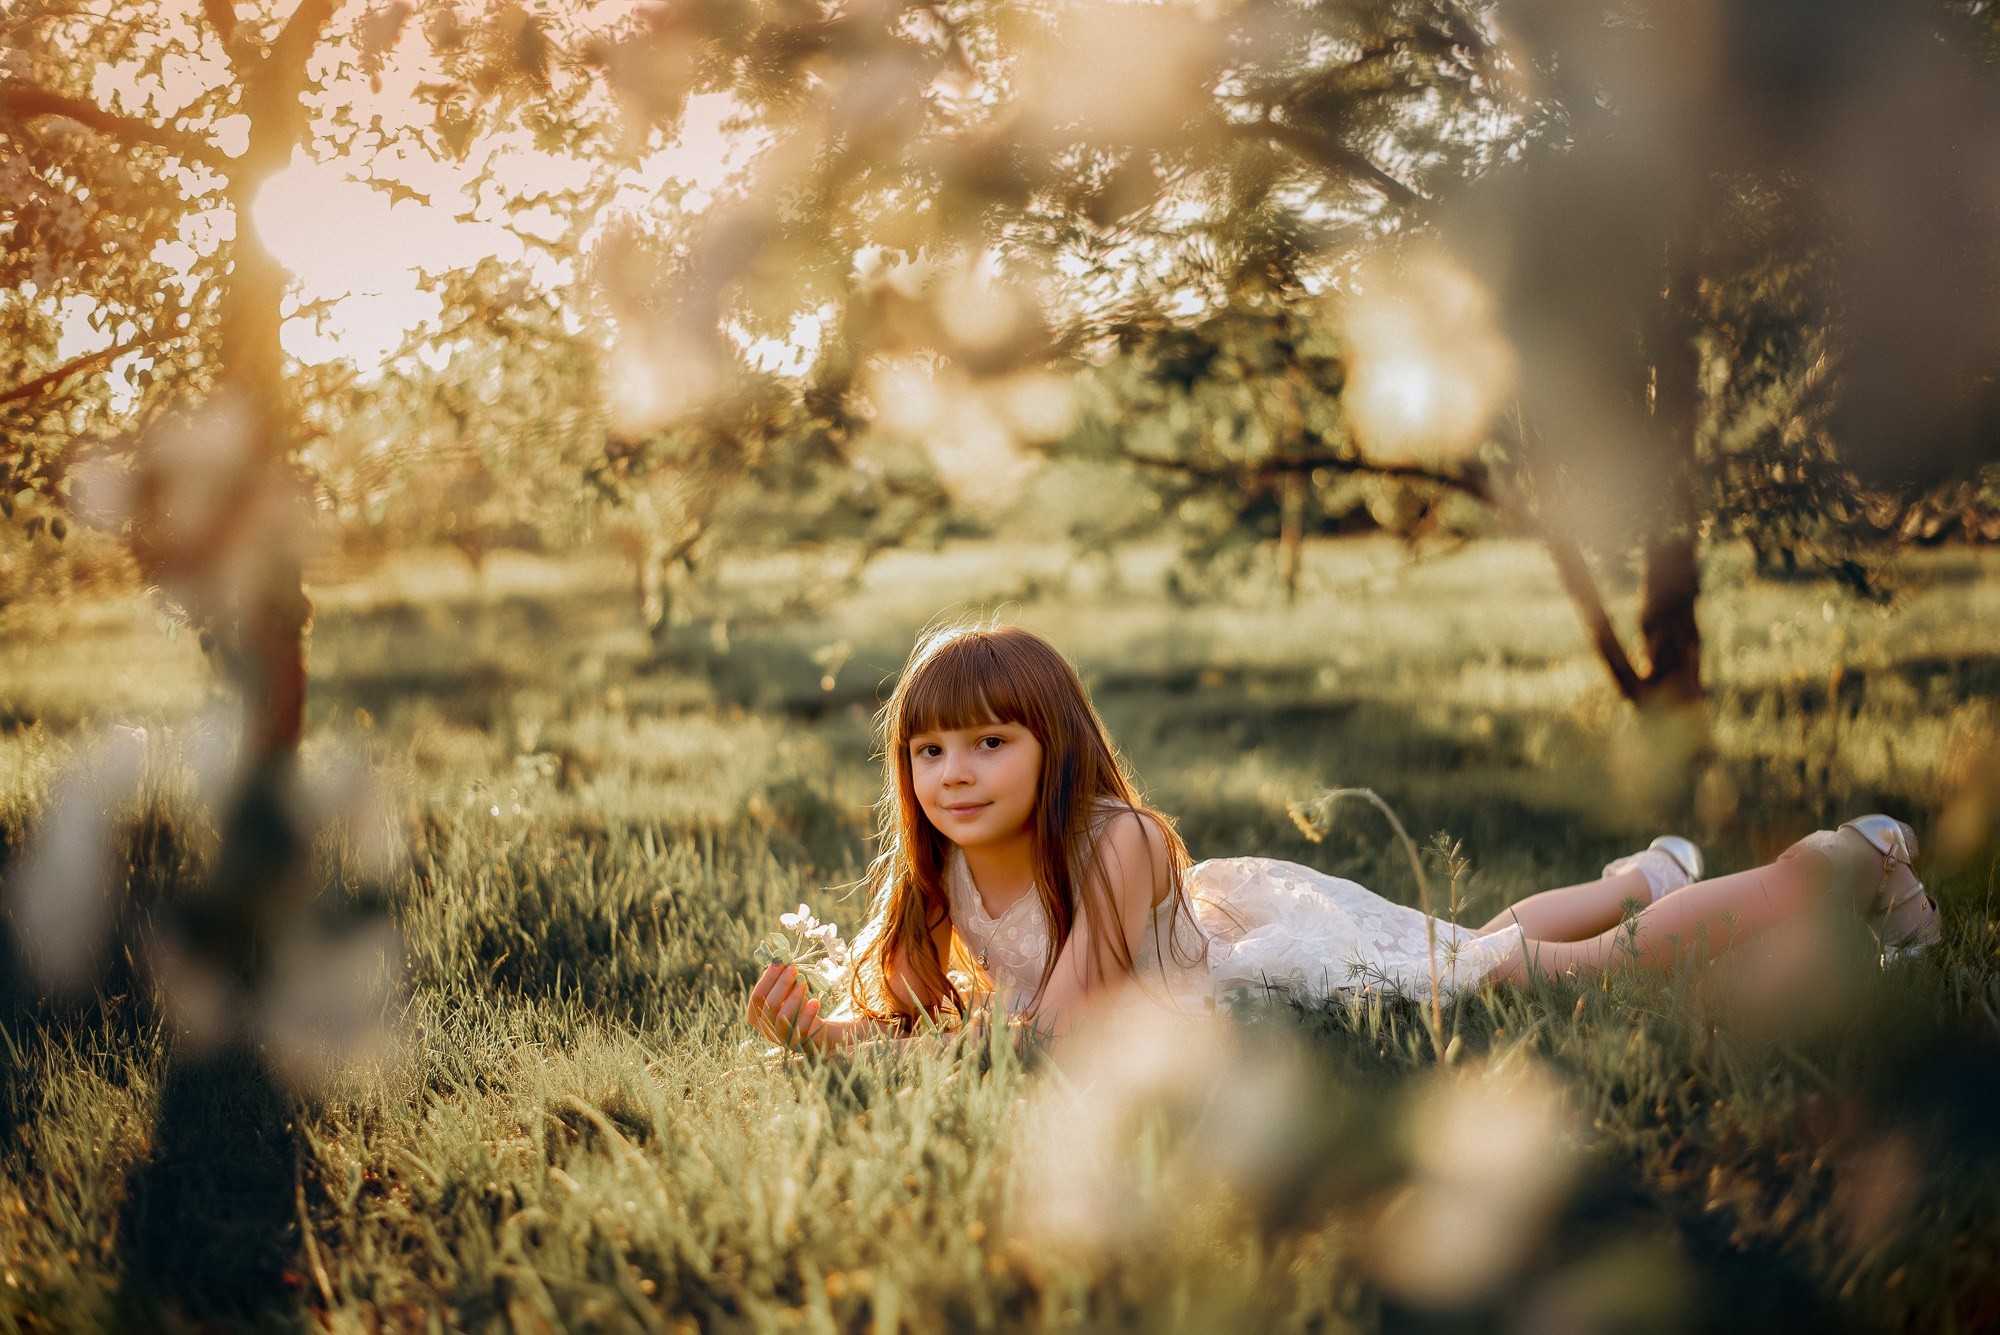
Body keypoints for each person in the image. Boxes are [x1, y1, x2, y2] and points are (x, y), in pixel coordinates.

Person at [745, 623, 1941, 1050]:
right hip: (1240, 977)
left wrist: (869, 1059)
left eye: (988, 742)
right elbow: (937, 1020)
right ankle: (1641, 875)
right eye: (928, 751)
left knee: (1544, 974)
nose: (953, 774)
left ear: (1053, 745)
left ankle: (1832, 865)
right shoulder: (943, 872)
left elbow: (1040, 1041)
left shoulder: (1117, 844)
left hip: (1297, 977)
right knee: (1478, 945)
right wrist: (829, 1032)